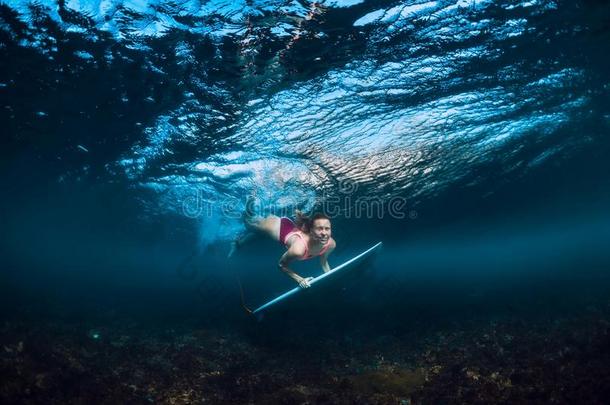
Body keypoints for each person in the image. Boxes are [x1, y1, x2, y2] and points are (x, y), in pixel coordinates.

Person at [229, 205, 336, 289]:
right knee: (248, 222)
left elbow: (323, 262)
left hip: (291, 228)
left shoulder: (330, 244)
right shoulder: (299, 249)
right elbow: (281, 265)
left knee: (260, 234)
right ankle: (249, 203)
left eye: (327, 229)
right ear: (311, 231)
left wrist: (330, 277)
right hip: (277, 228)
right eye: (319, 229)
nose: (324, 233)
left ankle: (237, 244)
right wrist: (300, 280)